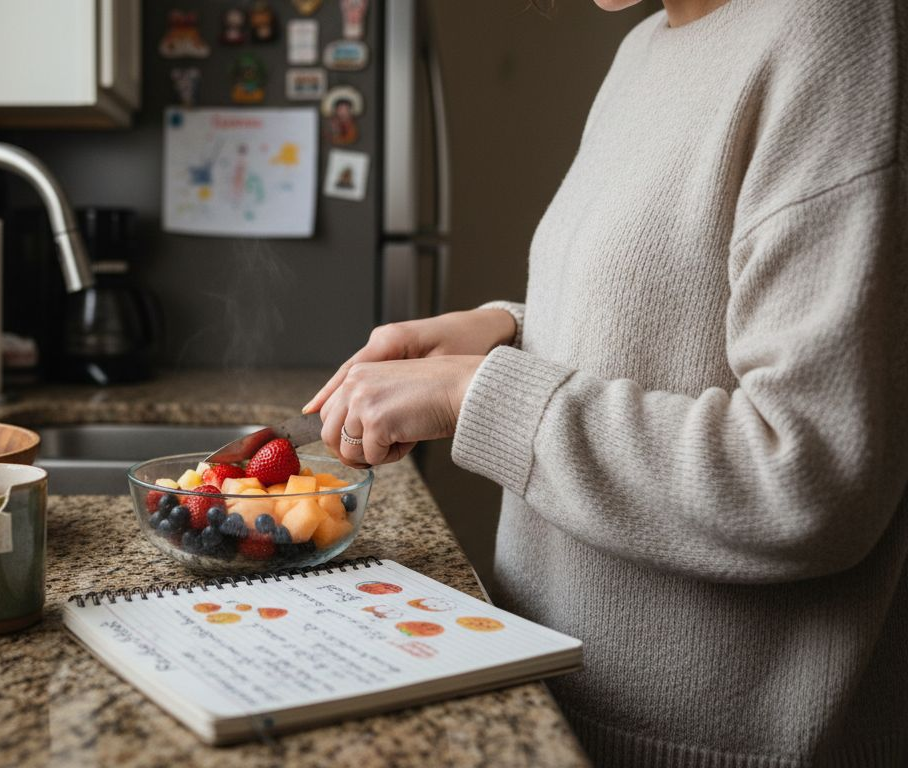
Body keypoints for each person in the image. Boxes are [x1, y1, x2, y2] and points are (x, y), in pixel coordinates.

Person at [304, 0, 908, 764]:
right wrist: (507, 329)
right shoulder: (642, 49)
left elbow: (812, 476)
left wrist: (477, 393)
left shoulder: (831, 28)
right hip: (558, 697)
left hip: (705, 745)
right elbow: (677, 323)